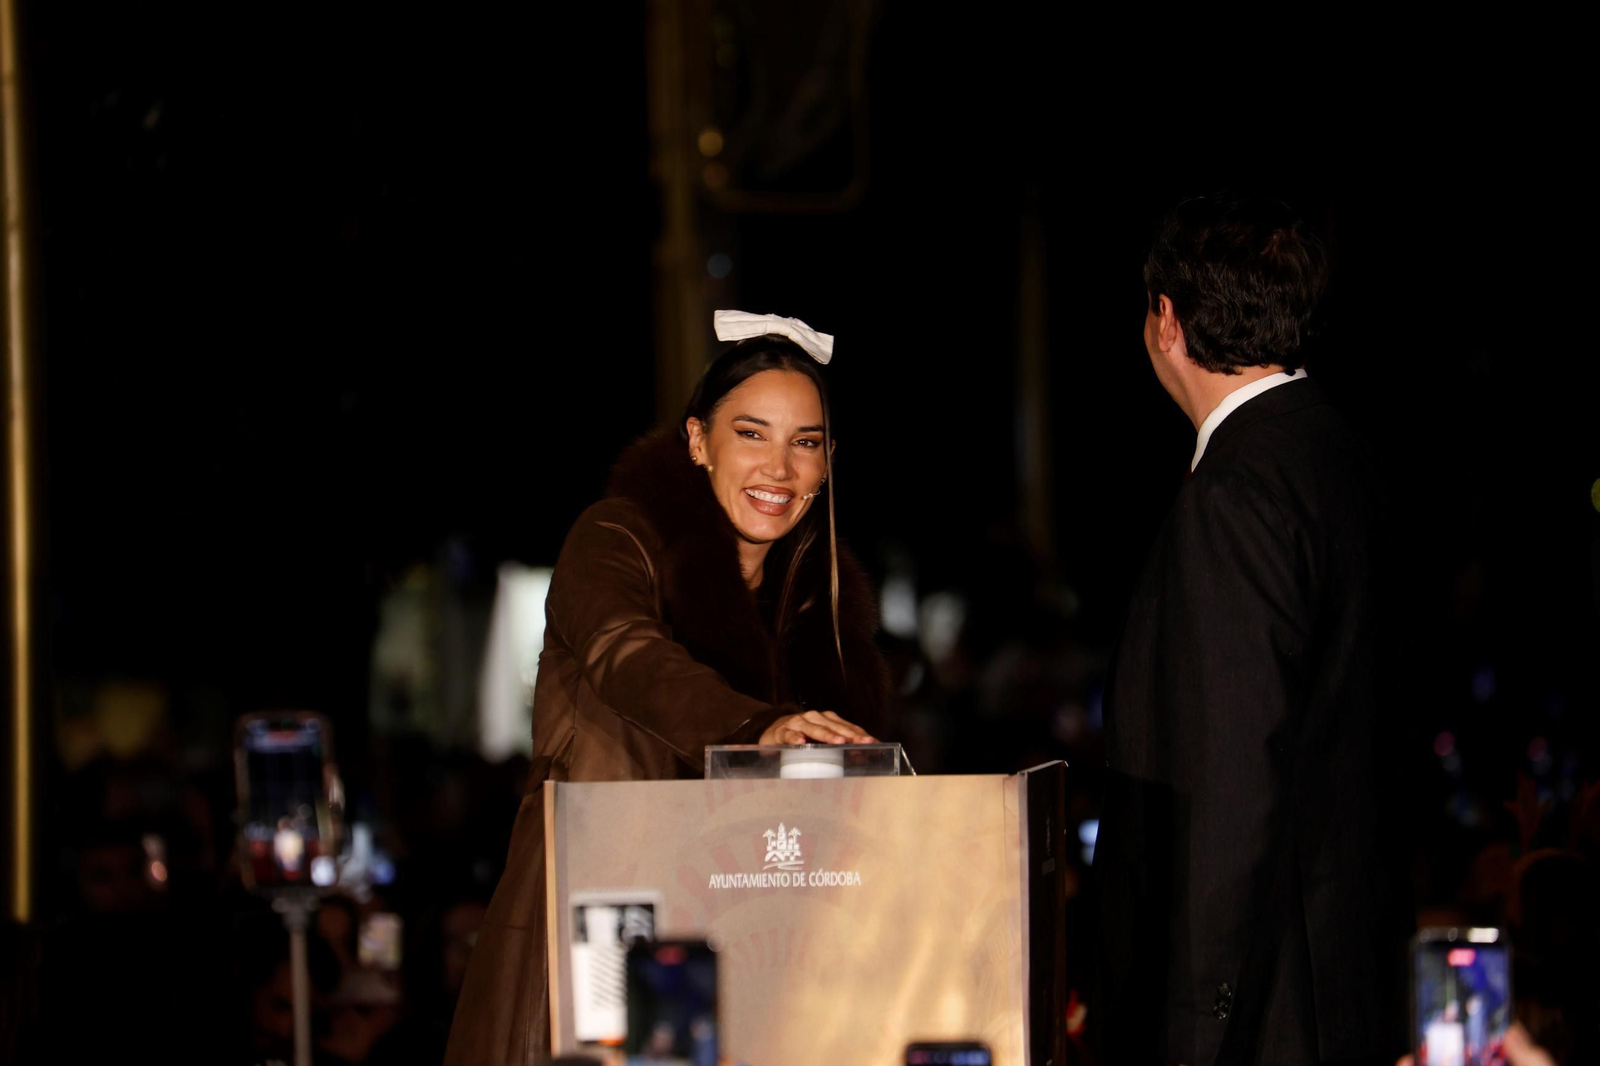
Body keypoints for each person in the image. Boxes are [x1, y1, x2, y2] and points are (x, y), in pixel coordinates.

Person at [444, 313, 890, 1065]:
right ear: (696, 441)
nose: (778, 469)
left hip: (754, 954)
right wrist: (758, 728)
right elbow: (630, 657)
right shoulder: (617, 538)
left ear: (829, 461)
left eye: (804, 443)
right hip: (606, 925)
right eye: (751, 434)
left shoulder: (823, 610)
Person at [1096, 195, 1412, 1064]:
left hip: (1266, 1010)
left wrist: (1199, 1023)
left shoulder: (1234, 494)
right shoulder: (1342, 456)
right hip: (1350, 978)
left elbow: (1232, 779)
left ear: (1166, 320)